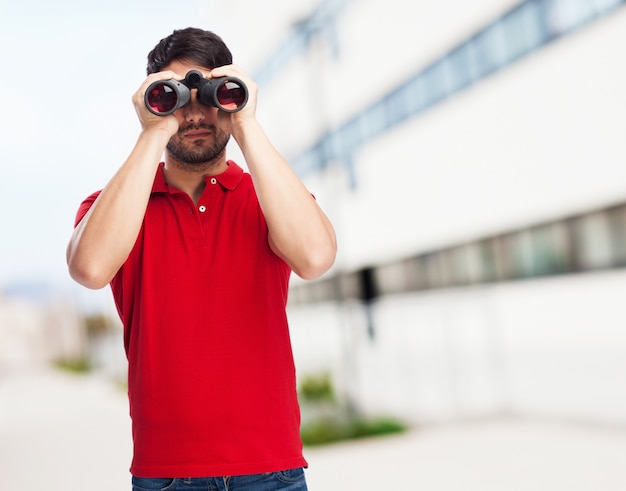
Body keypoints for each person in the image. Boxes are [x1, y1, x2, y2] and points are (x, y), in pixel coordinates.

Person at [67, 27, 337, 491]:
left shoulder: (268, 198)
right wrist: (154, 132)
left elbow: (315, 258)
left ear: (232, 94)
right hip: (166, 475)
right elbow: (89, 268)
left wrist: (247, 124)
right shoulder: (116, 205)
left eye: (210, 93)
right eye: (175, 97)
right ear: (154, 100)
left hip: (272, 469)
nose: (194, 112)